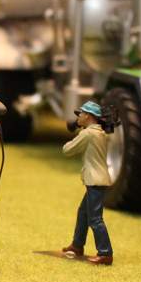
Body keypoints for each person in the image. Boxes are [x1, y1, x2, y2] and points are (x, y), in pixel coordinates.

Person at [62, 100, 114, 265]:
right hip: (98, 179)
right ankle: (77, 245)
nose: (78, 117)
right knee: (83, 213)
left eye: (81, 114)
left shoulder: (88, 134)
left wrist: (77, 133)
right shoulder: (100, 132)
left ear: (88, 116)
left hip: (95, 180)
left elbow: (67, 150)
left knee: (95, 219)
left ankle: (105, 253)